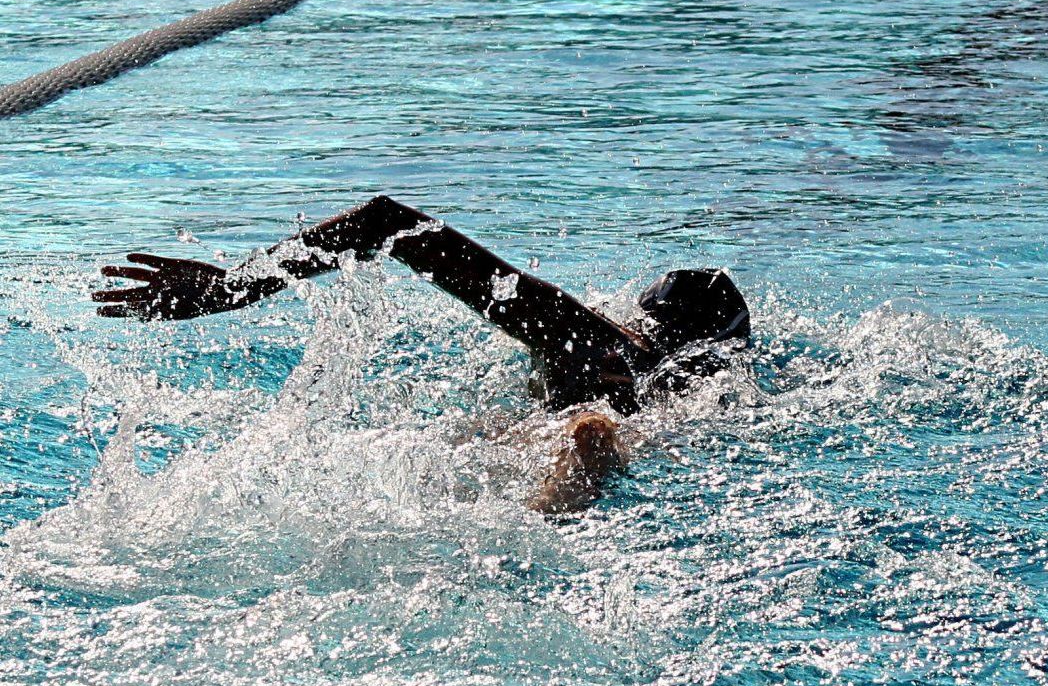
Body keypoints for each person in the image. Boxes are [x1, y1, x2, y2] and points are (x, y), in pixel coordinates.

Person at [93, 195, 751, 512]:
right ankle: (579, 458)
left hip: (575, 424)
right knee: (573, 434)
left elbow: (385, 218)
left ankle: (580, 451)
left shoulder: (585, 334)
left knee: (535, 434)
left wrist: (232, 287)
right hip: (633, 442)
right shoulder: (696, 382)